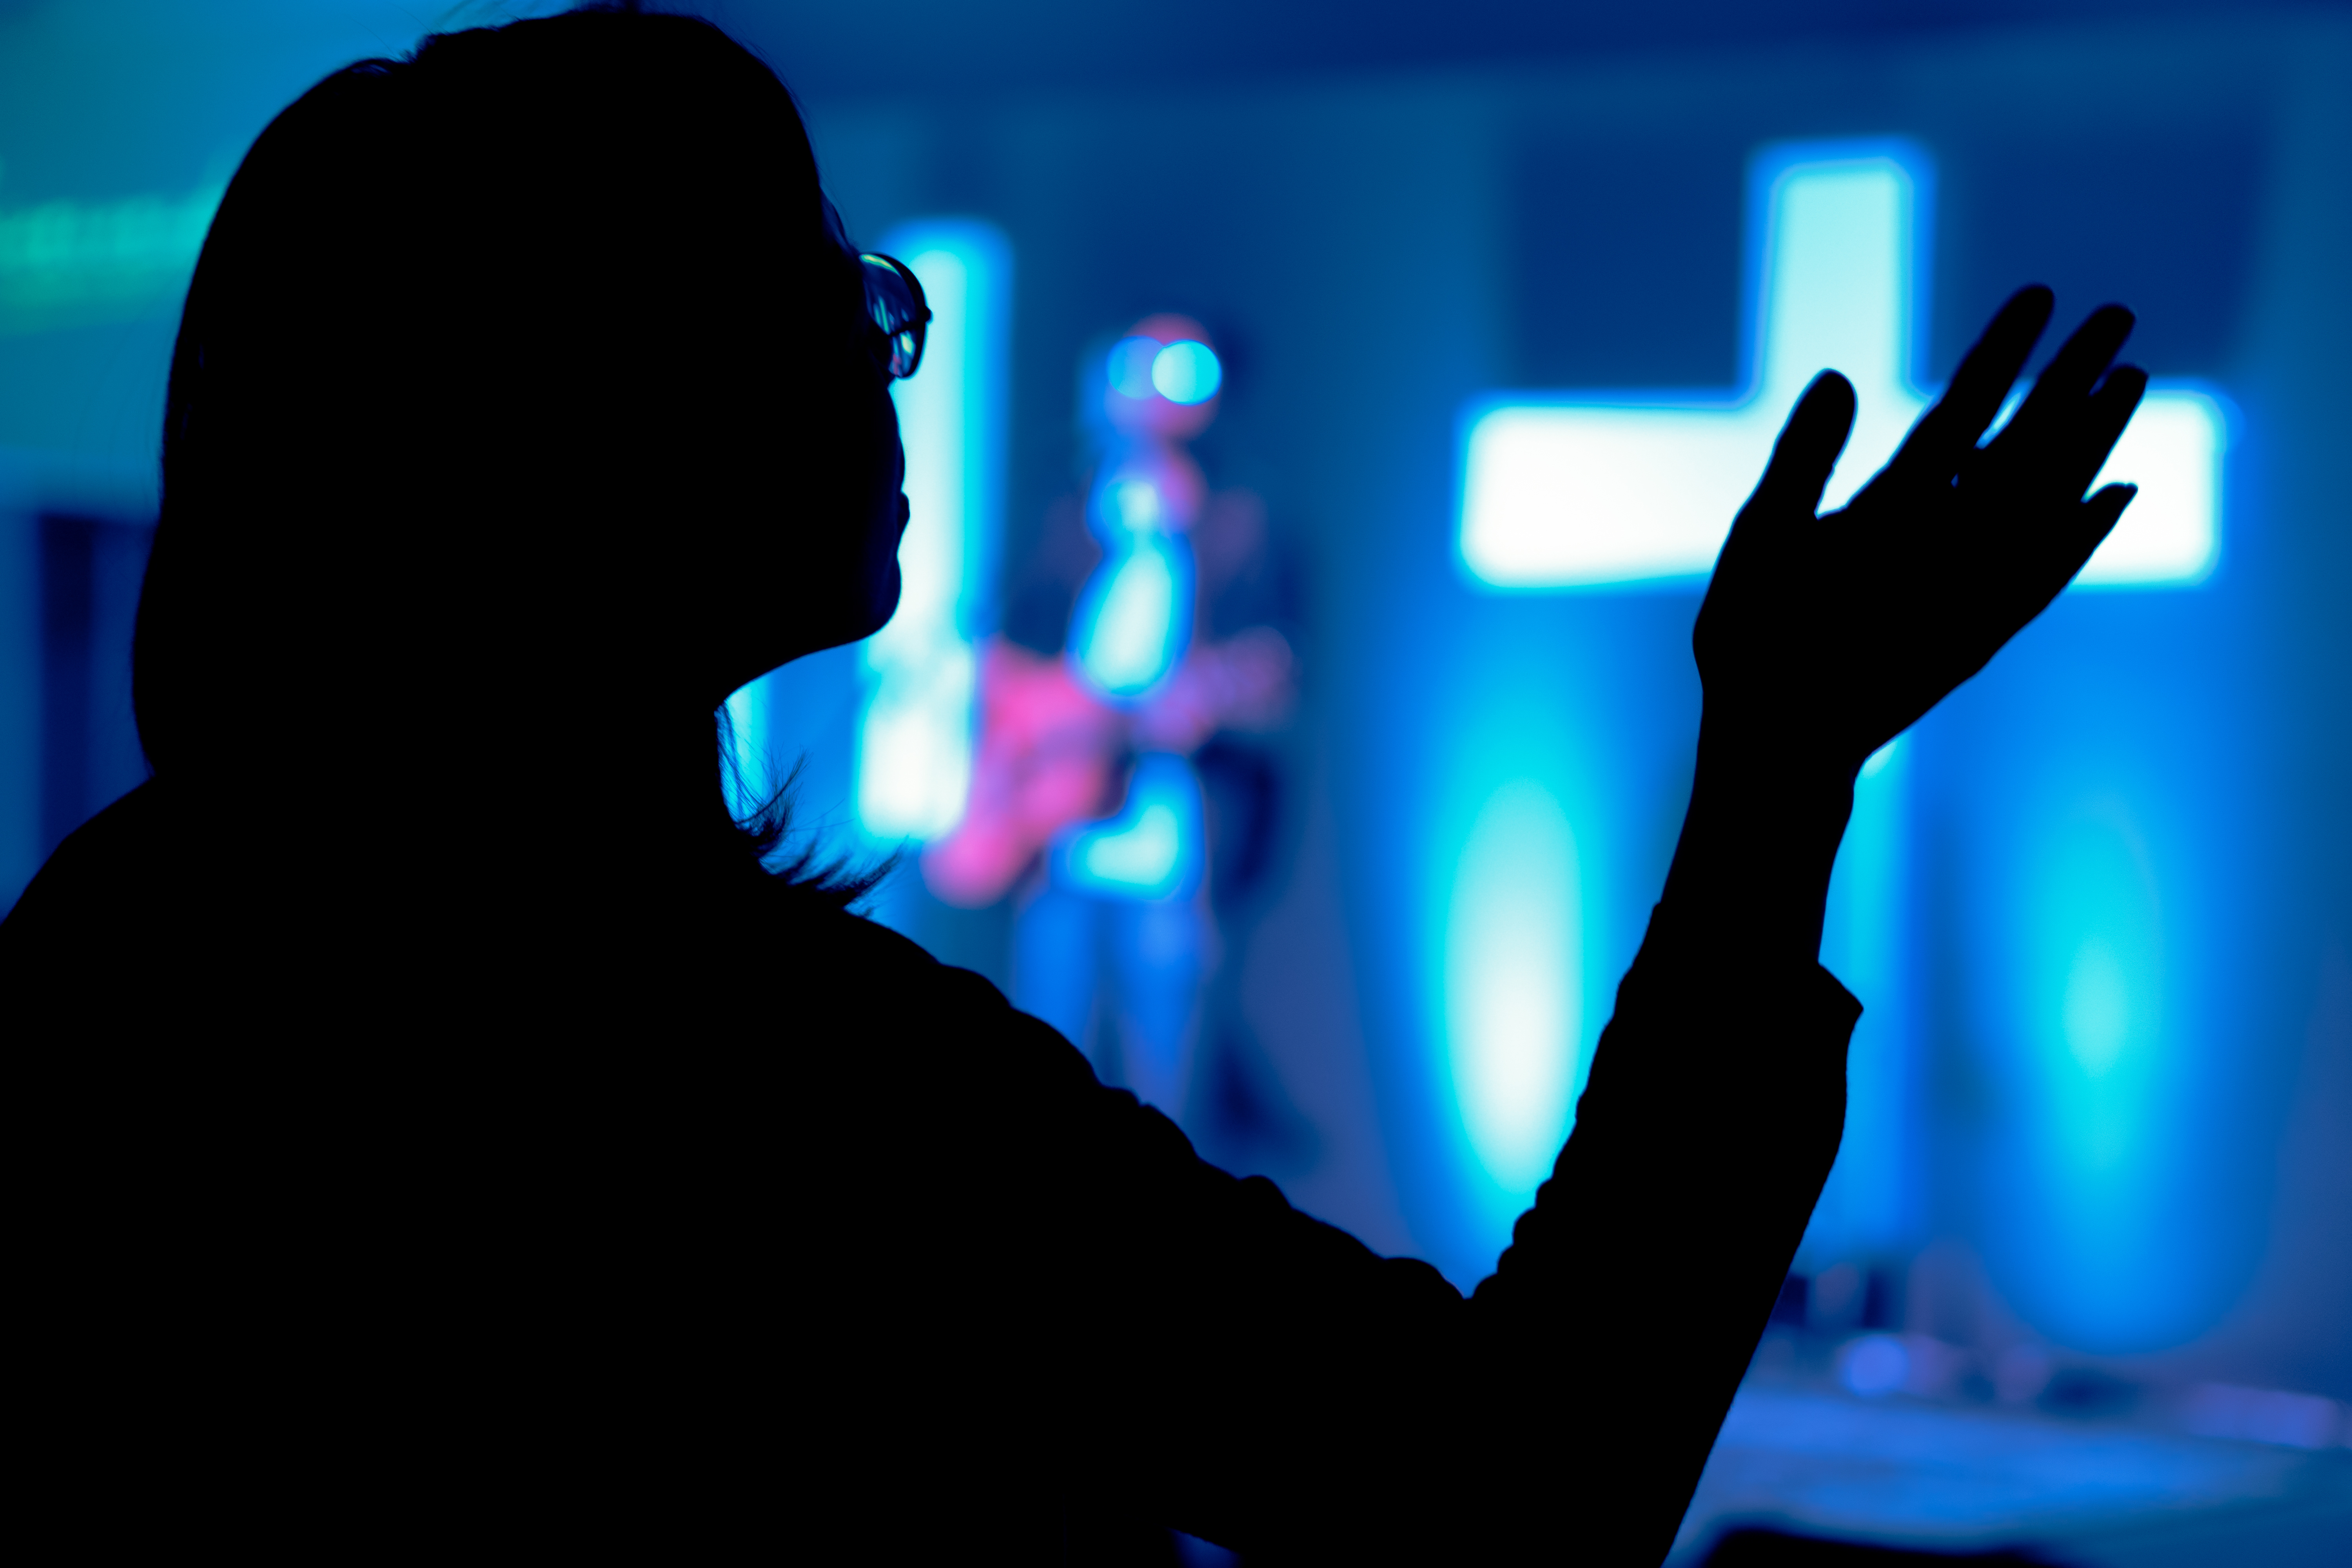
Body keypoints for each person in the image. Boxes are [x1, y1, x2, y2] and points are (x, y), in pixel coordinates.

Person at [0, 9, 2148, 1563]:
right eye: (825, 291)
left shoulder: (120, 932)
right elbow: (1502, 1500)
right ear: (600, 407)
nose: (890, 345)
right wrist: (1775, 775)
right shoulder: (791, 1083)